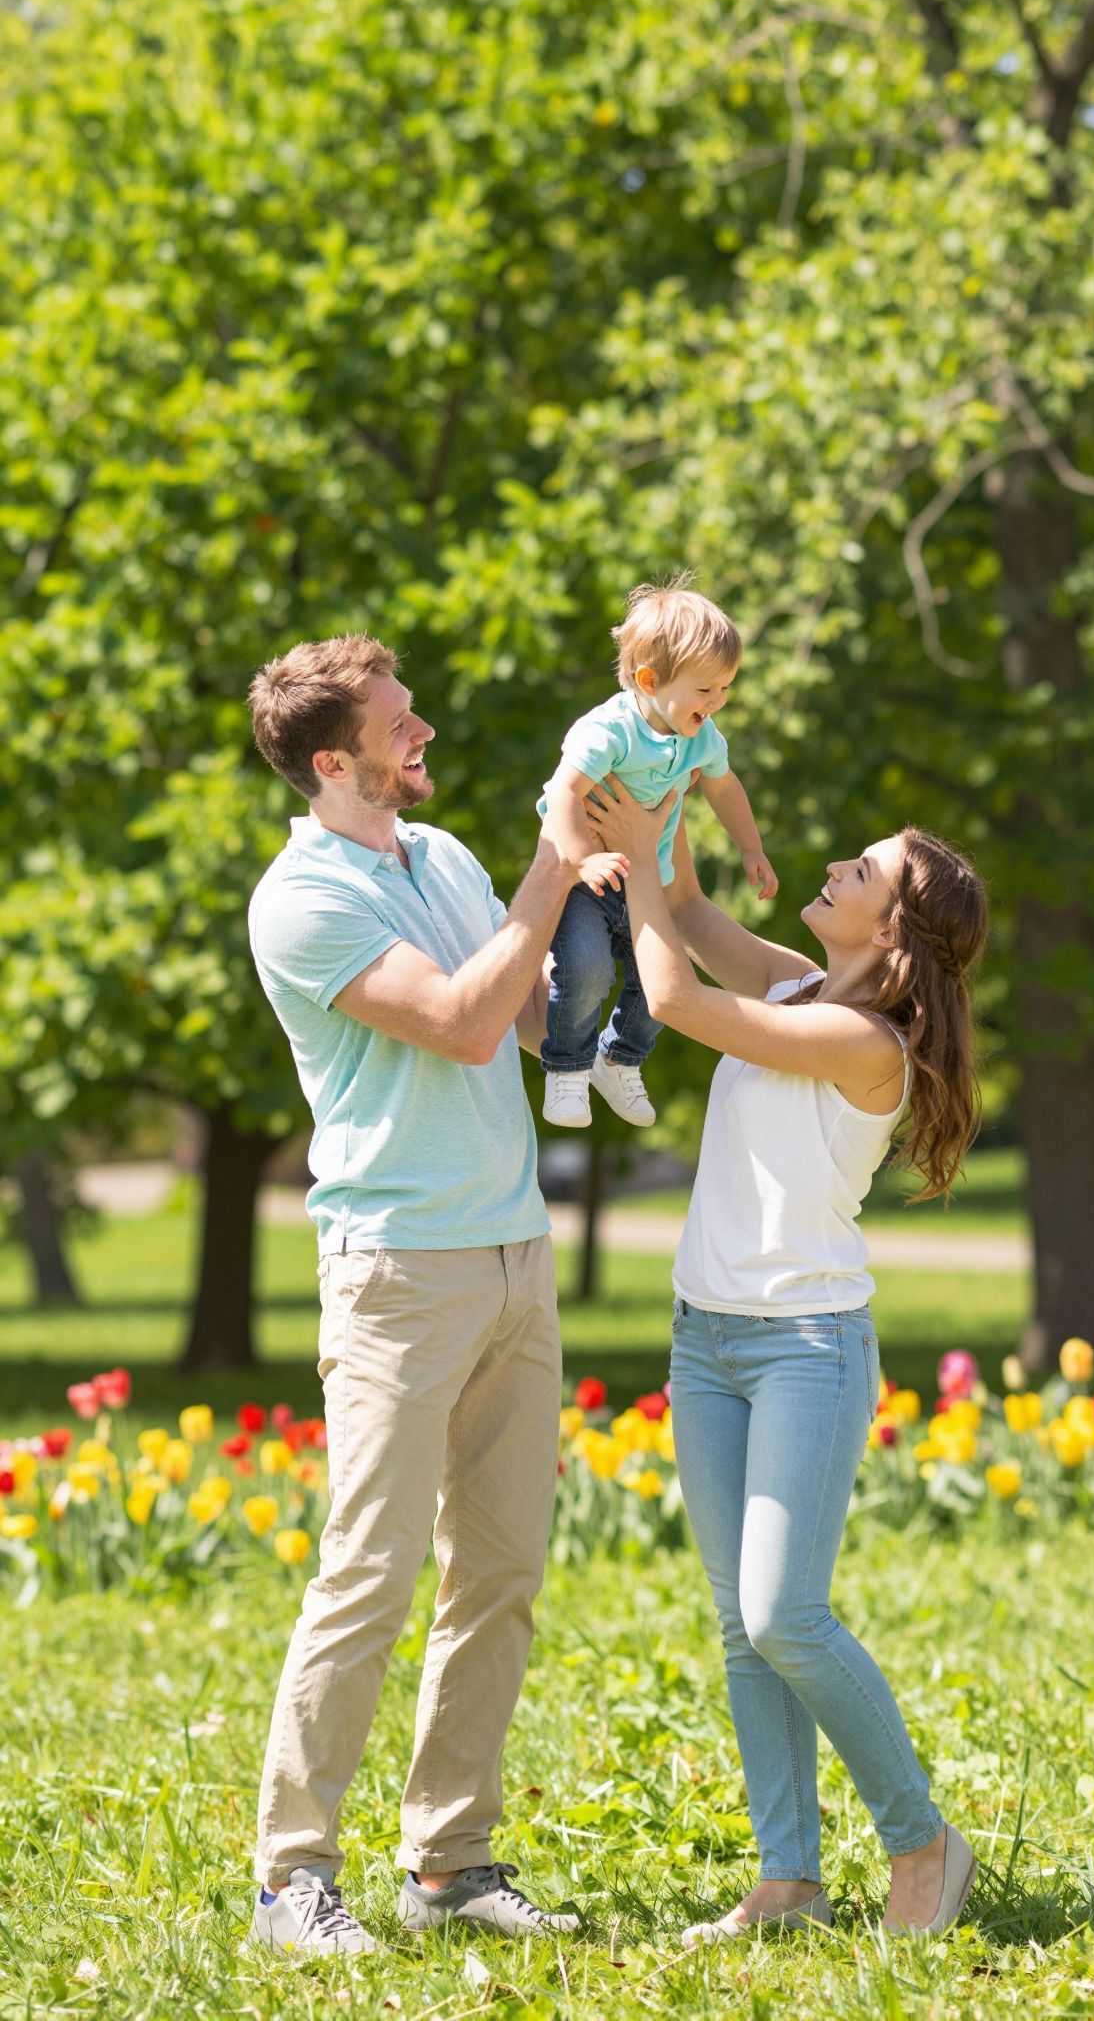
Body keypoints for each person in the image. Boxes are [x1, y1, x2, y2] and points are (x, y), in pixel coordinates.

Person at [586, 776, 988, 1944]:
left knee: (783, 1613)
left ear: (893, 931)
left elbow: (671, 985)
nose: (835, 871)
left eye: (861, 871)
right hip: (706, 1335)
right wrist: (665, 783)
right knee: (737, 1620)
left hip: (806, 1346)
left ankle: (922, 1841)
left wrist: (632, 859)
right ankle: (788, 1879)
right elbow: (694, 911)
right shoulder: (804, 982)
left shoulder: (863, 1040)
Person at [243, 633, 581, 1954]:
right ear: (336, 762)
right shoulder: (303, 899)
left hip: (512, 1255)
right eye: (398, 724)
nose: (422, 730)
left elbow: (535, 1012)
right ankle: (291, 1884)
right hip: (396, 1271)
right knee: (370, 1576)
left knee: (496, 1573)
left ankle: (450, 1864)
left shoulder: (438, 860)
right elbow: (457, 1019)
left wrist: (597, 911)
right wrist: (554, 857)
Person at [535, 576, 776, 1132]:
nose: (716, 703)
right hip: (585, 883)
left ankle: (618, 1058)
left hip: (647, 881)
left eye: (724, 690)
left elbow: (723, 787)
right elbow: (563, 794)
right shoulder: (608, 731)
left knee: (661, 977)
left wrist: (751, 847)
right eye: (706, 690)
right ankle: (568, 1066)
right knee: (588, 969)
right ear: (649, 679)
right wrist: (580, 860)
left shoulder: (701, 736)